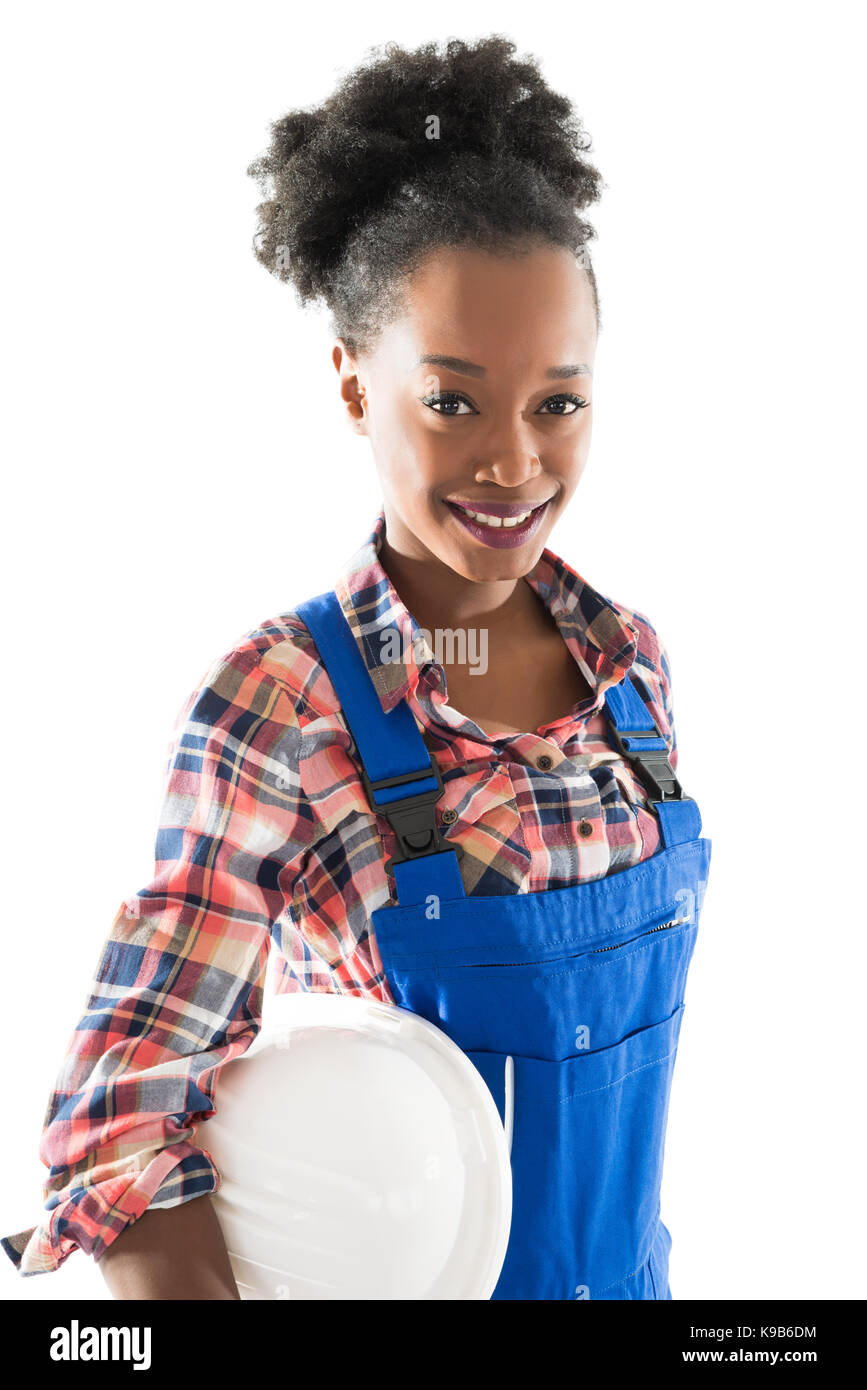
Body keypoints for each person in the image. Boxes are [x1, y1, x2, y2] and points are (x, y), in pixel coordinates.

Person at [1, 34, 710, 1301]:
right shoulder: (277, 709)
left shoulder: (635, 674)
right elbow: (122, 1130)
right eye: (453, 402)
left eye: (558, 402)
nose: (513, 464)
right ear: (351, 386)